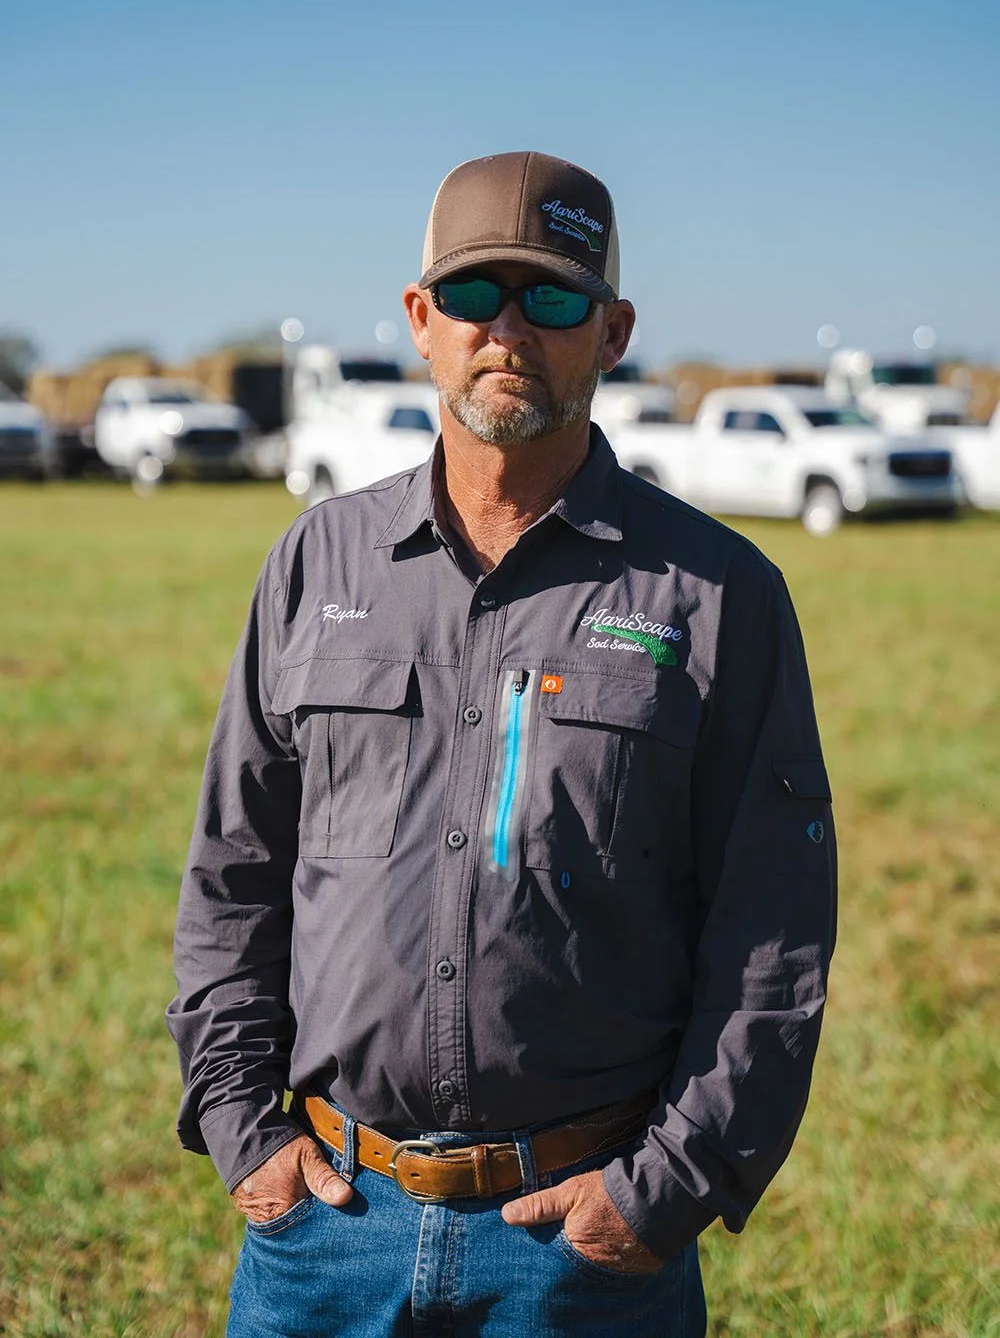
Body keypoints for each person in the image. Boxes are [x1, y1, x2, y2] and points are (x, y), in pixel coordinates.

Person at [168, 150, 837, 1337]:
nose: (508, 329)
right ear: (421, 320)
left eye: (554, 299)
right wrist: (243, 1131)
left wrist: (661, 1194)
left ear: (613, 331)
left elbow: (773, 931)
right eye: (474, 293)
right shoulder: (316, 563)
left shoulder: (717, 594)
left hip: (582, 1251)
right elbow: (234, 872)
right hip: (324, 1231)